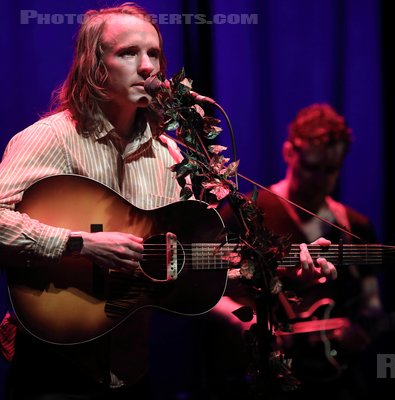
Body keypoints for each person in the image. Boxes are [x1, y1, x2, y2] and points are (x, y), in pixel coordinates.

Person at [0, 4, 335, 399]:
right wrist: (81, 243)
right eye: (128, 53)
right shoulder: (51, 138)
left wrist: (280, 268)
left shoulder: (171, 158)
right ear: (94, 66)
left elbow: (192, 262)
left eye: (154, 54)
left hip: (131, 370)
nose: (147, 67)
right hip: (52, 364)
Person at [213, 102, 383, 399]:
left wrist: (363, 327)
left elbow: (371, 301)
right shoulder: (247, 212)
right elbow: (205, 290)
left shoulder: (355, 225)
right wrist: (238, 317)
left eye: (330, 170)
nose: (319, 179)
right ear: (290, 152)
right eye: (311, 167)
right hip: (260, 378)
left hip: (335, 379)